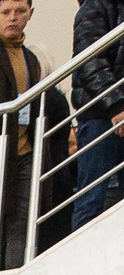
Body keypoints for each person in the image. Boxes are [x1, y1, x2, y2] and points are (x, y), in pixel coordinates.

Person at [0, 0, 72, 271]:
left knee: (19, 226)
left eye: (20, 12)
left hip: (24, 155)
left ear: (30, 14)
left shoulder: (31, 59)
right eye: (6, 12)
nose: (13, 18)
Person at [77, 0, 124, 230]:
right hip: (99, 116)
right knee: (91, 200)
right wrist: (115, 105)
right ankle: (80, 262)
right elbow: (90, 60)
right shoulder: (95, 6)